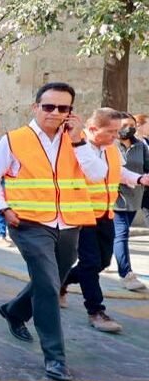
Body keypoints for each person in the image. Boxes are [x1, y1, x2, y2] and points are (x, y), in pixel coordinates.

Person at [0, 82, 98, 381]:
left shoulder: (78, 140)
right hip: (28, 223)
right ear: (35, 107)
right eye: (49, 106)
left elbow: (97, 174)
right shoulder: (15, 139)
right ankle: (56, 358)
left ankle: (14, 311)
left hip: (69, 223)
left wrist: (78, 142)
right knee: (49, 286)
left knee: (52, 279)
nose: (55, 113)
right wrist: (3, 207)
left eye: (63, 108)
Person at [60, 109, 149, 330]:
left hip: (105, 214)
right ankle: (96, 311)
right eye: (111, 132)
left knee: (102, 262)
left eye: (117, 131)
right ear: (92, 129)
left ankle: (61, 282)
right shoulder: (74, 147)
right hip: (81, 214)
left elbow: (119, 172)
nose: (115, 136)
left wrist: (139, 178)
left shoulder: (110, 149)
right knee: (90, 263)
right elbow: (94, 173)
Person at [112, 113, 149, 292]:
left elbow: (146, 167)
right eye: (125, 124)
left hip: (135, 198)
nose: (129, 128)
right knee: (121, 234)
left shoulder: (140, 145)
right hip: (116, 198)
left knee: (119, 235)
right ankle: (126, 273)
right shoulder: (111, 145)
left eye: (132, 124)